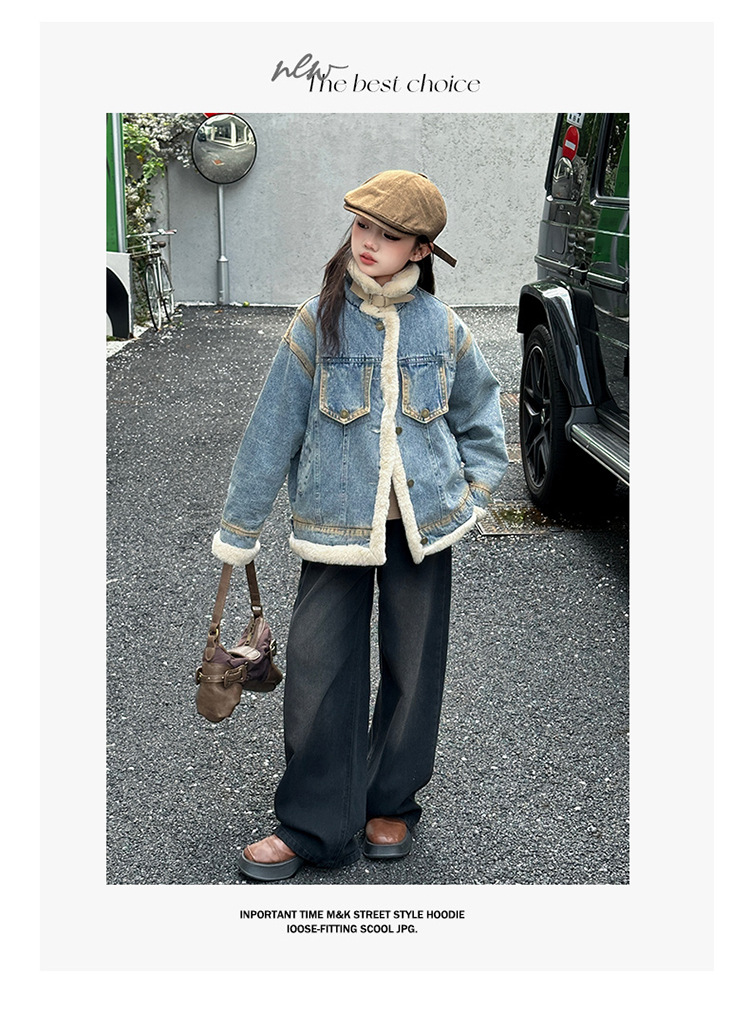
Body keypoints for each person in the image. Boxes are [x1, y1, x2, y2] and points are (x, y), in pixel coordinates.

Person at [212, 169, 509, 881]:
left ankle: (390, 801)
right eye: (362, 227)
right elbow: (271, 430)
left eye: (389, 235)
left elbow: (481, 417)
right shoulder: (317, 322)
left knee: (414, 670)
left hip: (422, 531)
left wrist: (471, 496)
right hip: (333, 530)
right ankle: (313, 823)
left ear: (421, 250)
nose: (369, 243)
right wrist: (240, 528)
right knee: (319, 672)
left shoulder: (444, 329)